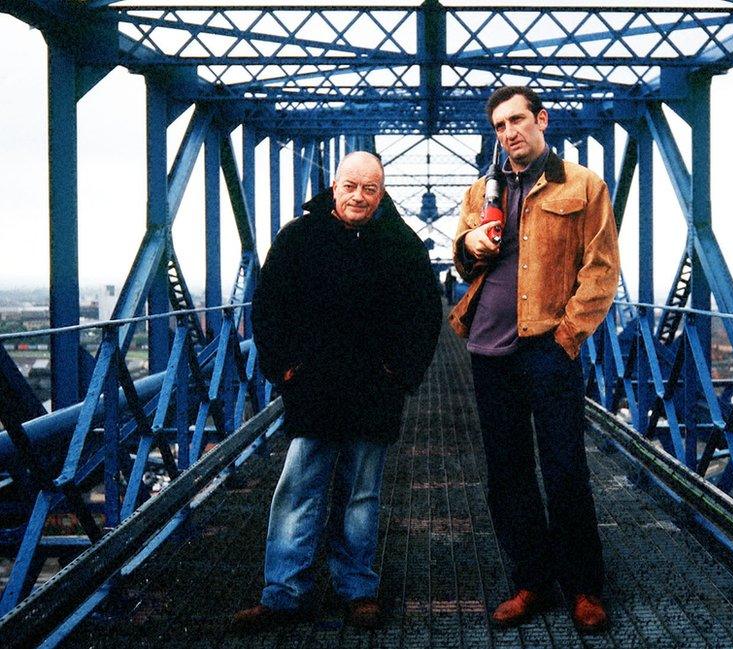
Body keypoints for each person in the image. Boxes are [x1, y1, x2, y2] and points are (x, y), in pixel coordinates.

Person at [233, 151, 442, 631]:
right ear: (334, 187)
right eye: (350, 186)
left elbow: (424, 315)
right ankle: (283, 594)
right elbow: (268, 307)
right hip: (315, 390)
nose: (359, 196)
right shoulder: (298, 238)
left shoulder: (402, 244)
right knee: (300, 489)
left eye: (370, 188)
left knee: (360, 494)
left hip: (374, 392)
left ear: (382, 192)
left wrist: (401, 373)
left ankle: (358, 588)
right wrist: (283, 368)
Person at [449, 86, 620, 633]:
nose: (509, 132)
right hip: (488, 348)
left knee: (565, 469)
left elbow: (601, 269)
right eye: (499, 126)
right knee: (507, 474)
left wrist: (568, 336)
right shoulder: (481, 190)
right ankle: (531, 581)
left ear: (541, 120)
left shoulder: (583, 185)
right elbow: (460, 263)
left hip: (547, 346)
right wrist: (469, 245)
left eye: (518, 120)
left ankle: (584, 588)